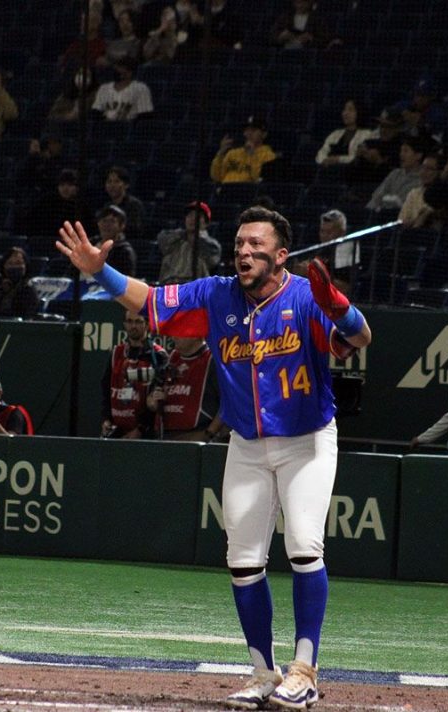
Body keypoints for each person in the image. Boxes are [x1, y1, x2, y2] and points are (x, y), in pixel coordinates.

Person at [57, 205, 371, 709]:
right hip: (246, 441)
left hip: (306, 438)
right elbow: (151, 301)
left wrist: (339, 307)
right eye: (240, 244)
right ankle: (265, 674)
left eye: (256, 246)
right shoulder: (216, 293)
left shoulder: (306, 296)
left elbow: (358, 339)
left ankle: (305, 670)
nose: (244, 252)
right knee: (243, 561)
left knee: (304, 546)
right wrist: (100, 272)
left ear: (281, 255)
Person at [146, 335, 228, 441]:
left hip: (197, 438)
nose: (174, 337)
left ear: (195, 335)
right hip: (166, 438)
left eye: (180, 332)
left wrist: (208, 434)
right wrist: (153, 401)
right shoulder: (171, 358)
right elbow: (153, 396)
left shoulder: (212, 360)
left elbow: (228, 403)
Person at [101, 309, 166, 439]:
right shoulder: (116, 353)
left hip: (145, 434)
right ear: (124, 324)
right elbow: (105, 389)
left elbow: (158, 398)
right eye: (129, 321)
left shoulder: (158, 355)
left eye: (138, 322)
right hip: (116, 430)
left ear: (147, 324)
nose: (133, 326)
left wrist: (141, 429)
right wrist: (106, 419)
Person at [156, 200, 221, 284]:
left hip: (195, 288)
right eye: (190, 215)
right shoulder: (175, 238)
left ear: (205, 223)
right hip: (169, 287)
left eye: (198, 216)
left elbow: (212, 260)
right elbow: (161, 239)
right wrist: (183, 234)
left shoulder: (212, 245)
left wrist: (197, 236)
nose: (193, 219)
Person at [211, 115, 278, 184]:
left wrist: (252, 156)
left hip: (248, 192)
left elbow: (258, 180)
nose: (248, 133)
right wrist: (220, 154)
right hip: (226, 190)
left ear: (264, 134)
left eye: (253, 130)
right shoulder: (233, 153)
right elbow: (216, 177)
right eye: (246, 130)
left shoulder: (269, 156)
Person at [366, 136, 426, 213]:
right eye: (401, 151)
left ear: (418, 155)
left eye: (406, 151)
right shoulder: (395, 173)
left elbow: (405, 204)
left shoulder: (422, 178)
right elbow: (377, 196)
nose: (401, 154)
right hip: (379, 214)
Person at [0, 246, 40, 320]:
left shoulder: (28, 290)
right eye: (10, 263)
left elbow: (24, 315)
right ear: (4, 266)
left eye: (19, 263)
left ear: (26, 266)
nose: (14, 267)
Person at [314, 98, 373, 172]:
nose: (346, 113)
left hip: (351, 172)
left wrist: (338, 159)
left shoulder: (367, 134)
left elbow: (357, 158)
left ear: (359, 112)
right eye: (344, 109)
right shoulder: (336, 133)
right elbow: (322, 152)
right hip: (328, 171)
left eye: (350, 110)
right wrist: (324, 160)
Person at [92, 56, 154, 122]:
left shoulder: (140, 88)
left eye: (121, 68)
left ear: (130, 72)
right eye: (116, 68)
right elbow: (96, 111)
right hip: (106, 128)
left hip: (129, 128)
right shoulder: (104, 88)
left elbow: (145, 115)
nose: (117, 70)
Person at [398, 153, 444, 229]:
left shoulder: (444, 196)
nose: (424, 172)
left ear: (440, 172)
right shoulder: (414, 193)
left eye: (429, 169)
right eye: (423, 167)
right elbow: (402, 221)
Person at [102, 165, 145, 241]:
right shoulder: (107, 206)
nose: (112, 185)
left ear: (126, 185)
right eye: (109, 182)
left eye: (117, 181)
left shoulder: (134, 205)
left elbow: (136, 230)